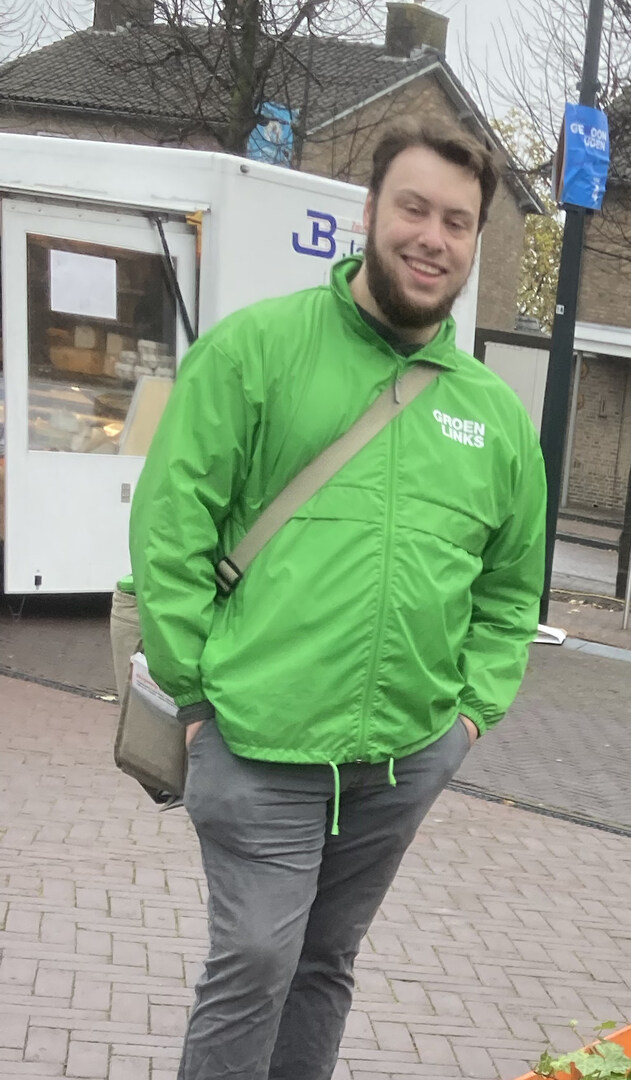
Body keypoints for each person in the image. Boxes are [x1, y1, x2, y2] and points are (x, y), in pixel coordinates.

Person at [130, 119, 545, 1080]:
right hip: (256, 737)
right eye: (413, 208)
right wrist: (197, 696)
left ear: (476, 241)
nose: (432, 237)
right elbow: (171, 528)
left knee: (325, 963)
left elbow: (513, 581)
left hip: (400, 757)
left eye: (458, 220)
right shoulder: (257, 351)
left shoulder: (491, 413)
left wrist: (470, 715)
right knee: (258, 958)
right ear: (367, 214)